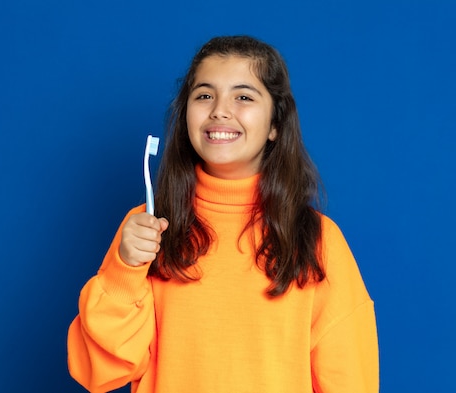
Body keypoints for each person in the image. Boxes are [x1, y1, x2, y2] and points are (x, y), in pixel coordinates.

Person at [67, 35, 379, 393]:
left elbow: (349, 380)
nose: (219, 110)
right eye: (204, 95)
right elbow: (98, 372)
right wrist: (125, 270)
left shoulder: (318, 240)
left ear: (276, 124)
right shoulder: (147, 230)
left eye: (243, 96)